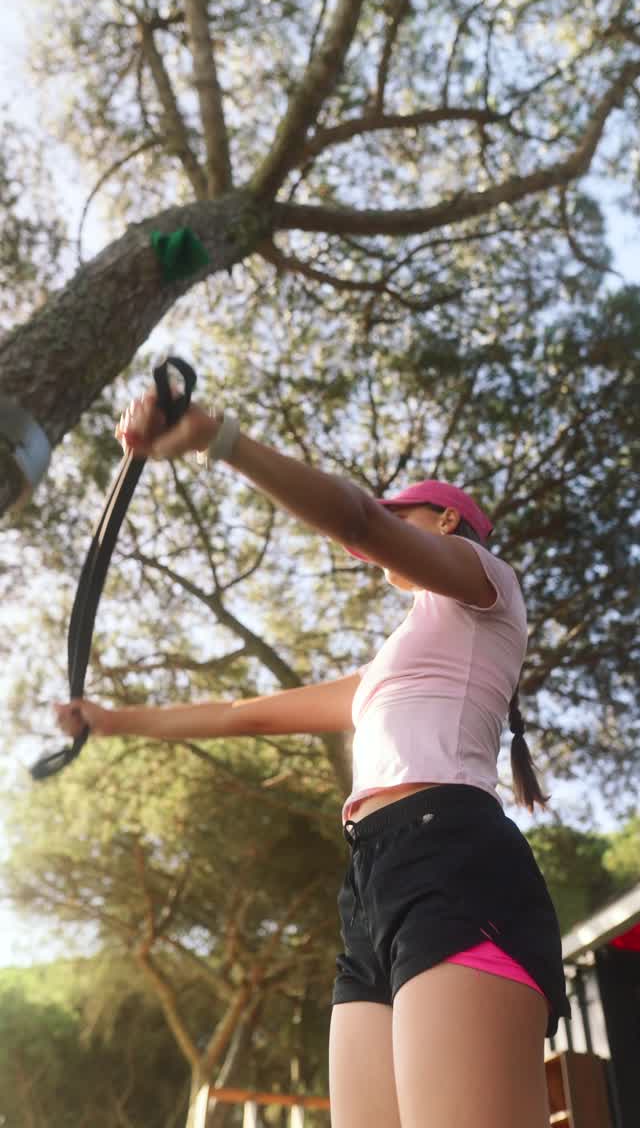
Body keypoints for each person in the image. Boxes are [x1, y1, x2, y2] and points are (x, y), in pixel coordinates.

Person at [56, 391, 570, 1128]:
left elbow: (356, 520)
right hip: (372, 881)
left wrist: (216, 437)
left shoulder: (486, 586)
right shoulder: (392, 668)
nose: (389, 526)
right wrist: (109, 722)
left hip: (453, 859)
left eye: (405, 513)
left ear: (450, 521)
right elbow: (246, 715)